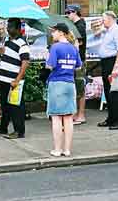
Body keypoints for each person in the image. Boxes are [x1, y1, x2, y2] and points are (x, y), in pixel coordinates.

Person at [46, 23, 82, 157]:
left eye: (54, 31)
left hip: (57, 83)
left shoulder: (55, 47)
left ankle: (57, 149)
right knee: (68, 118)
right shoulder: (73, 48)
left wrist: (47, 58)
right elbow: (78, 66)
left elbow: (51, 65)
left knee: (56, 117)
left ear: (61, 32)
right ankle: (67, 150)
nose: (52, 34)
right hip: (70, 84)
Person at [0, 18, 30, 139]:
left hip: (13, 81)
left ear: (18, 29)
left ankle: (19, 131)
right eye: (8, 26)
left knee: (16, 106)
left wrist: (17, 80)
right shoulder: (7, 41)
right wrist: (1, 52)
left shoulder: (22, 44)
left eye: (11, 27)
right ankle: (3, 127)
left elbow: (25, 62)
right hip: (4, 79)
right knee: (5, 105)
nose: (8, 29)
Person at [95, 11, 118, 130]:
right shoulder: (108, 31)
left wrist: (116, 67)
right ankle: (111, 118)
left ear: (110, 18)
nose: (102, 21)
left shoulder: (117, 30)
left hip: (113, 62)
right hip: (106, 62)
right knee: (108, 92)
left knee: (115, 92)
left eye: (103, 19)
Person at [65, 4, 87, 125]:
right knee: (75, 86)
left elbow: (79, 43)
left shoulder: (80, 25)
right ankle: (75, 113)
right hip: (75, 60)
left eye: (69, 12)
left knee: (80, 86)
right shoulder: (75, 25)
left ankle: (81, 114)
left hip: (79, 60)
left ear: (75, 12)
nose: (67, 15)